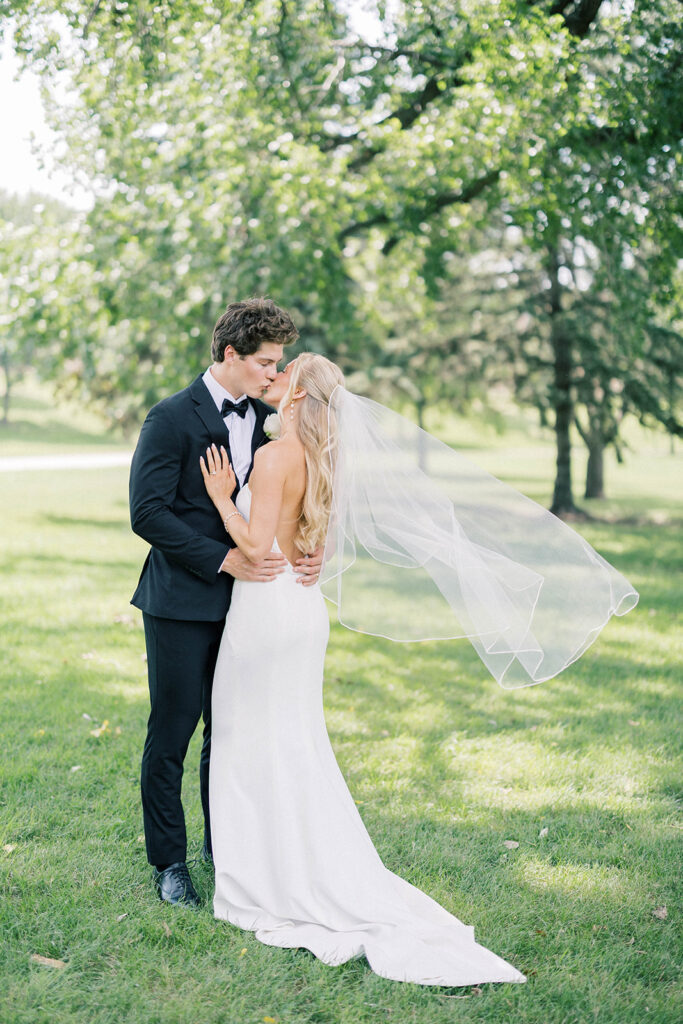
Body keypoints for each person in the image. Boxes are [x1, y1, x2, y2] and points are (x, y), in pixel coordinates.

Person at [200, 352, 532, 987]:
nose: (273, 379)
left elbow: (255, 544)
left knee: (248, 740)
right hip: (303, 611)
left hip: (265, 611)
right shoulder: (325, 458)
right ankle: (297, 859)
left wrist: (221, 498)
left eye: (284, 375)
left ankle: (266, 874)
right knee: (295, 742)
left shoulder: (274, 457)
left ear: (299, 396)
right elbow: (315, 543)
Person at [129, 299, 323, 908]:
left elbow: (291, 503)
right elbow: (147, 513)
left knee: (233, 731)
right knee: (173, 730)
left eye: (279, 364)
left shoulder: (271, 424)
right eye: (265, 362)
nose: (273, 374)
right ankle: (170, 863)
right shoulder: (169, 418)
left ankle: (227, 847)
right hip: (181, 602)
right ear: (230, 354)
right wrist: (222, 559)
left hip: (250, 606)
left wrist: (311, 553)